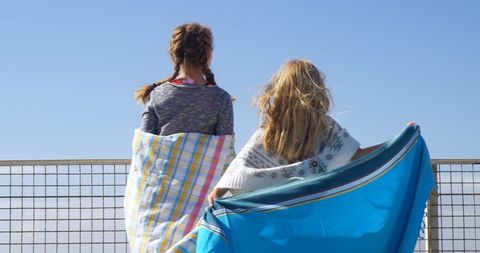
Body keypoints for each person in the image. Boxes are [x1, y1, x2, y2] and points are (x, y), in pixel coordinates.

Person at [208, 59, 410, 204]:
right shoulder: (326, 127)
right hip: (312, 209)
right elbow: (357, 155)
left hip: (275, 212)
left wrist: (219, 191)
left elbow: (241, 169)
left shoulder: (270, 129)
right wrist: (401, 141)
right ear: (317, 90)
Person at [124, 22, 235, 253]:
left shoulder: (157, 95)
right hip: (199, 203)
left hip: (158, 202)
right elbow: (226, 153)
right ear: (208, 54)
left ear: (173, 53)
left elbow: (145, 150)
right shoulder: (220, 99)